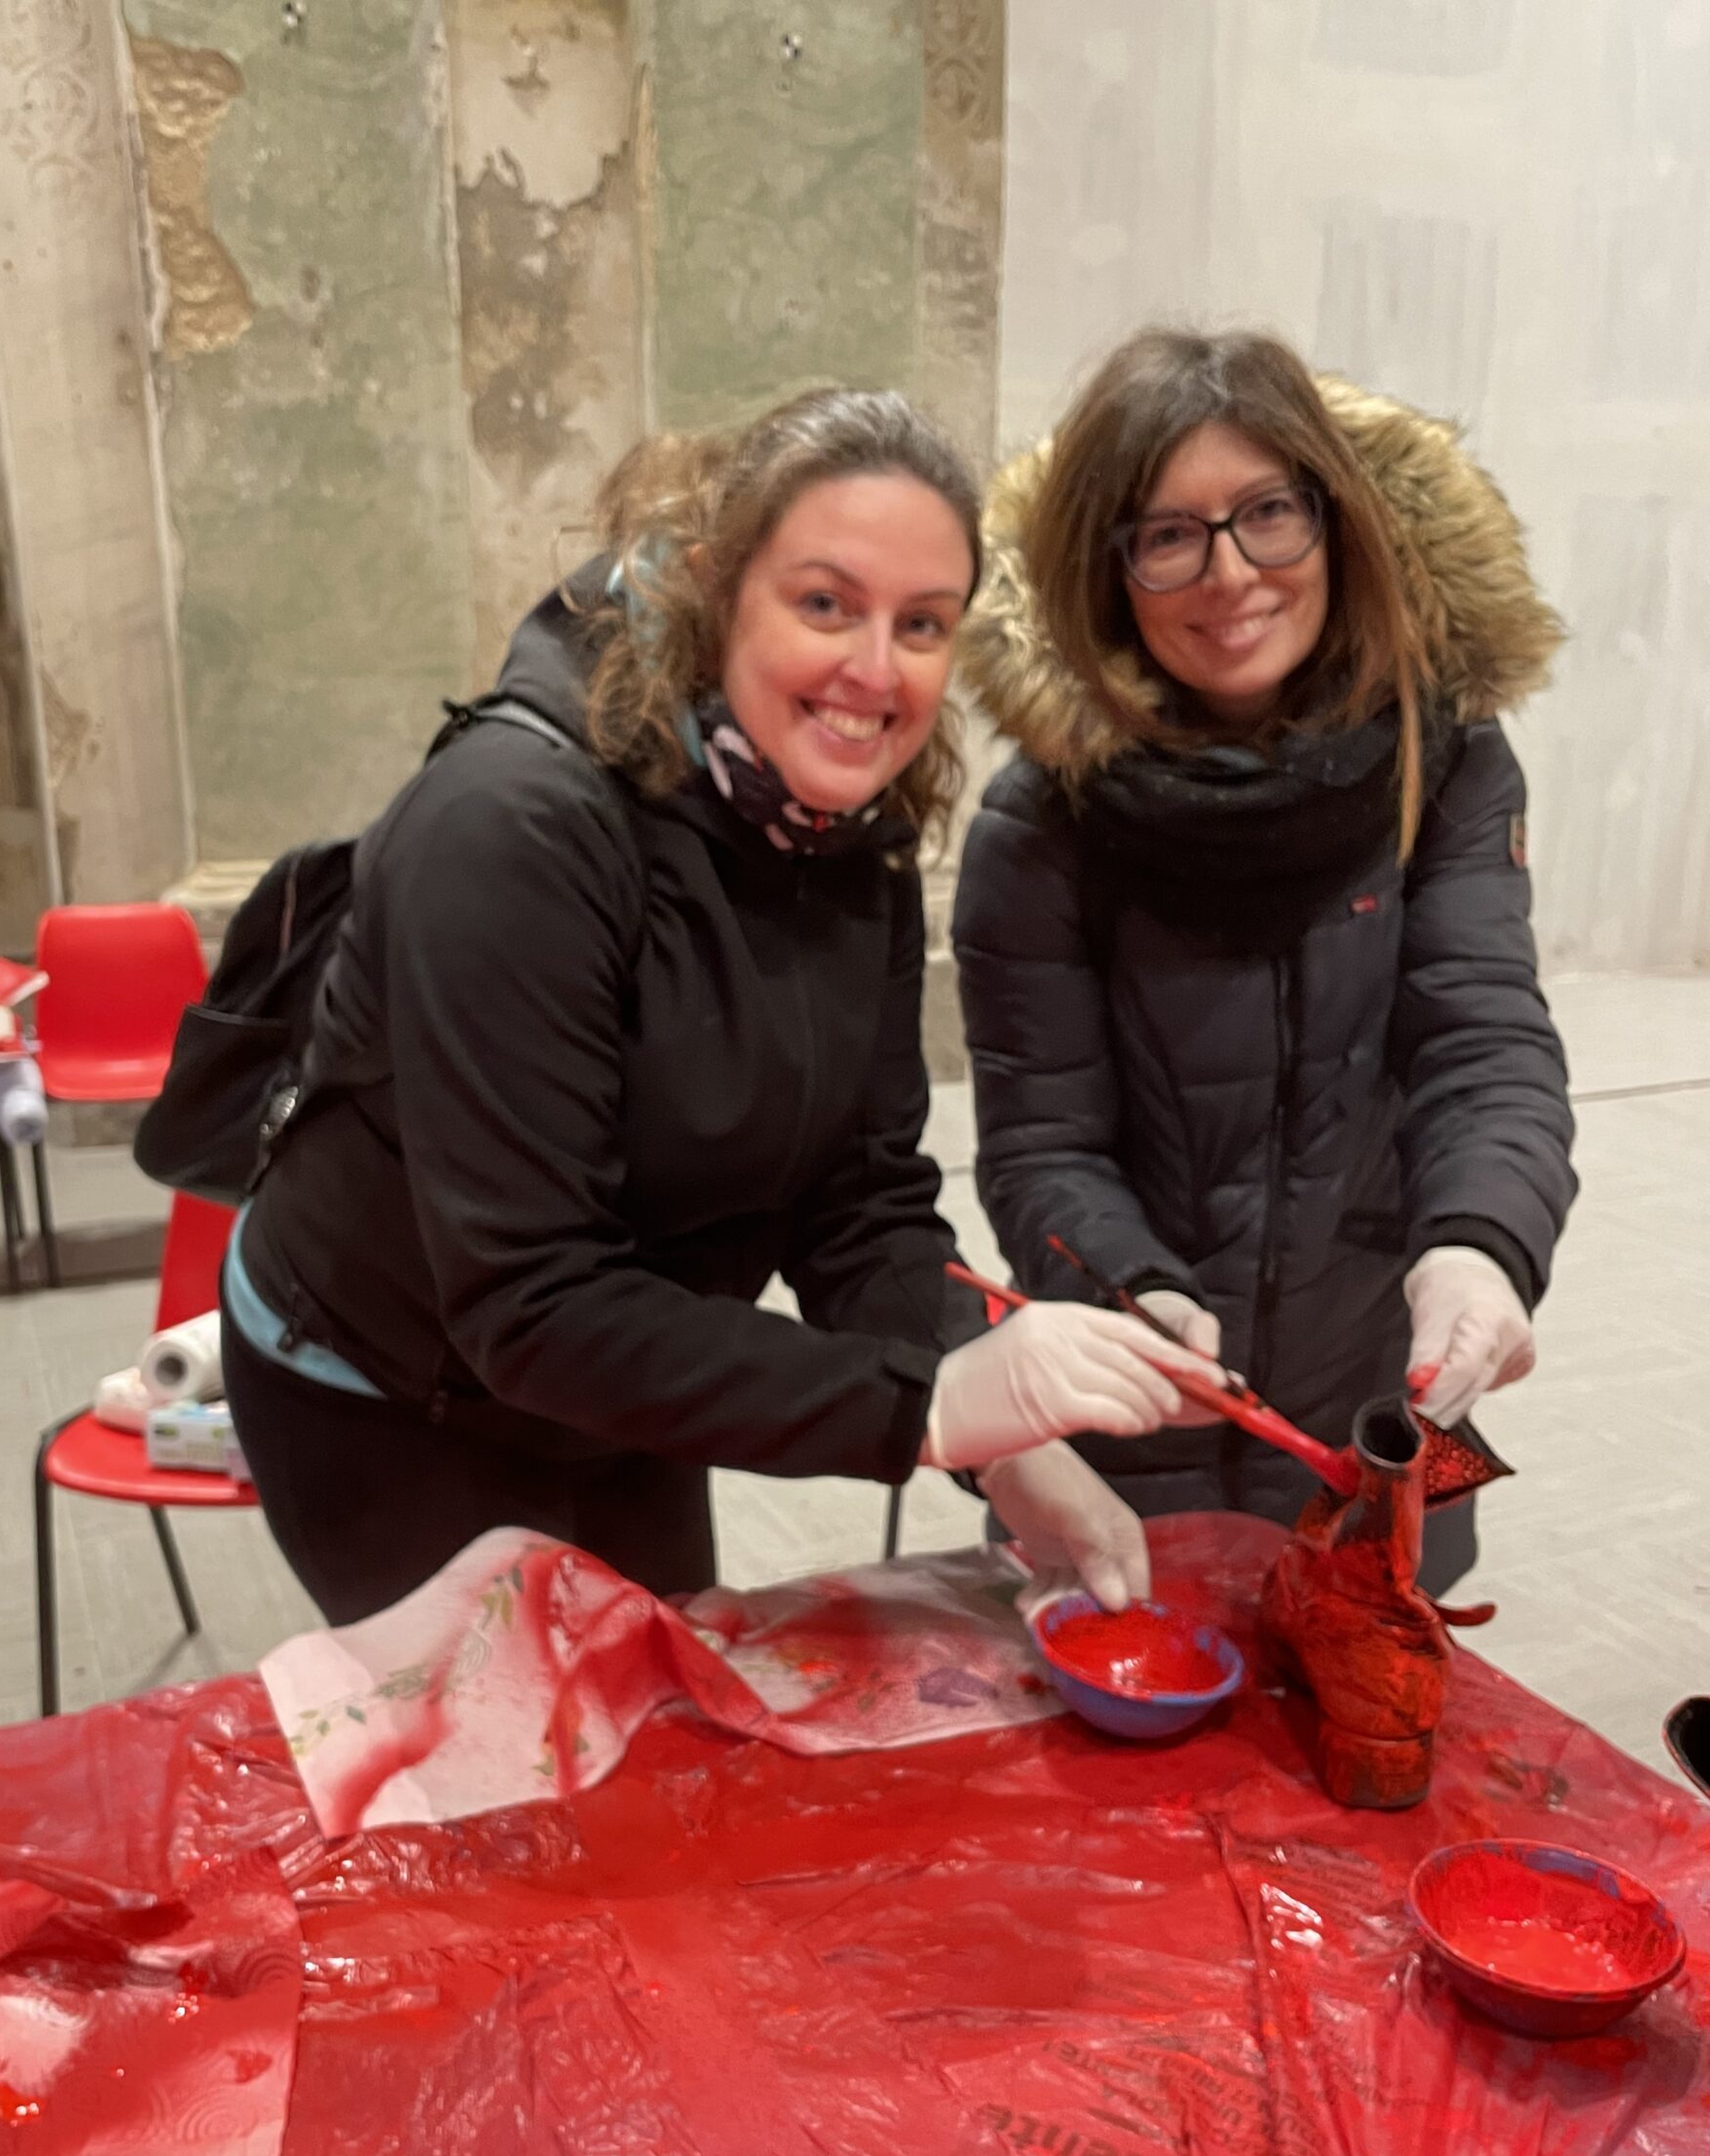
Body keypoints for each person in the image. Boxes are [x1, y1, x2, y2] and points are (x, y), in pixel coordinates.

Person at [222, 388, 1218, 1624]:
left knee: (668, 1683)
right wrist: (928, 1408)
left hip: (622, 1364)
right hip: (387, 1385)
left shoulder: (851, 834)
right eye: (825, 604)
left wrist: (1004, 1440)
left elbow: (858, 1203)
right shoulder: (511, 829)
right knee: (514, 1733)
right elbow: (531, 1304)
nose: (874, 670)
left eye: (921, 623)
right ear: (716, 587)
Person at [953, 329, 1577, 1596]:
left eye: (1268, 514)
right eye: (1169, 535)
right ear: (1111, 569)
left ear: (1336, 522)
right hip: (1133, 1430)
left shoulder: (1445, 761)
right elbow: (1043, 1144)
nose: (1230, 573)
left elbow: (1481, 1039)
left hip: (1372, 1410)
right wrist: (1131, 1287)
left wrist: (1480, 1245)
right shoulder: (1043, 821)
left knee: (1375, 1703)